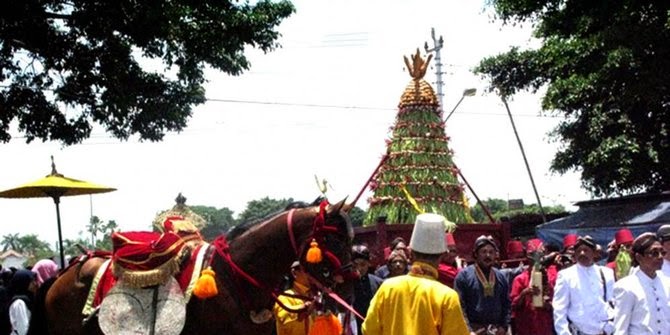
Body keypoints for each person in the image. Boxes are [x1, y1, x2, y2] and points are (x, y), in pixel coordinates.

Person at [362, 213, 469, 335]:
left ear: (410, 254)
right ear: (442, 256)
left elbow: (369, 330)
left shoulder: (387, 288)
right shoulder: (447, 296)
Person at [553, 235, 615, 335]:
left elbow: (612, 303)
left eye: (586, 250)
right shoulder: (566, 276)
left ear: (594, 253)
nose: (582, 253)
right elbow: (559, 310)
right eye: (578, 251)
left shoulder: (606, 273)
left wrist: (609, 328)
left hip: (605, 331)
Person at [612, 232, 670, 335]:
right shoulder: (627, 286)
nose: (660, 257)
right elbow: (620, 327)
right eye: (654, 253)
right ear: (639, 257)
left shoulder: (667, 282)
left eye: (662, 252)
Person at [454, 235, 510, 335]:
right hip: (475, 330)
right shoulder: (464, 276)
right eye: (483, 252)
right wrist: (468, 330)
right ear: (476, 254)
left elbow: (506, 304)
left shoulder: (500, 277)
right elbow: (460, 307)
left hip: (496, 330)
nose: (487, 255)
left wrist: (504, 327)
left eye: (491, 252)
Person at [509, 238, 554, 335]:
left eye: (539, 255)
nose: (536, 258)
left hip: (544, 328)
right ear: (527, 257)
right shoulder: (520, 279)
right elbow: (513, 306)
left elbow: (555, 305)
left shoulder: (548, 277)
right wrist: (524, 293)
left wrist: (546, 304)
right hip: (526, 328)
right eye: (533, 255)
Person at [273, 261, 314, 335]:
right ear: (294, 273)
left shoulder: (315, 296)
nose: (312, 275)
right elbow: (283, 317)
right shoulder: (284, 297)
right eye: (307, 271)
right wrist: (302, 309)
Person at [351, 244, 383, 335]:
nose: (359, 269)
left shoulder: (379, 284)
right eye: (355, 265)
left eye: (363, 264)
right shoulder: (345, 285)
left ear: (369, 263)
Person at [7, 269, 37, 335]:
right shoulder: (19, 303)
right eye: (31, 281)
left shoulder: (28, 299)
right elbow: (23, 330)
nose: (35, 283)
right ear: (23, 283)